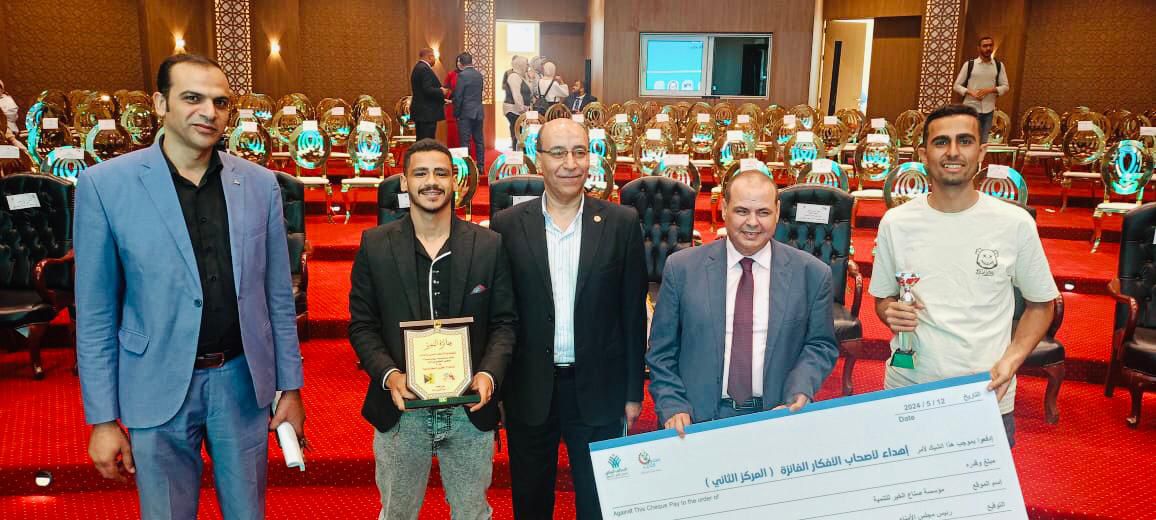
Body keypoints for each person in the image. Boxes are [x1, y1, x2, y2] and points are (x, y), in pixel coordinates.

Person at [74, 53, 305, 519]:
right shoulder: (105, 186)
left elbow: (278, 299)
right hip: (154, 383)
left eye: (220, 102)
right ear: (161, 104)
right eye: (192, 98)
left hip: (242, 383)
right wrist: (102, 418)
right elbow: (95, 313)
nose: (209, 112)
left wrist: (291, 388)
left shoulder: (259, 185)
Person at [870, 104, 1058, 447]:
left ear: (981, 152)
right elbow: (883, 299)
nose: (953, 152)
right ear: (923, 154)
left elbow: (1041, 305)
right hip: (907, 388)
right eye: (941, 142)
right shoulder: (895, 223)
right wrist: (888, 311)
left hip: (985, 391)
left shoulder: (1014, 223)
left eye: (965, 141)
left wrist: (1012, 360)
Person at [348, 138, 517, 519]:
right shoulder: (375, 245)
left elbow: (505, 322)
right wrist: (389, 375)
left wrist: (489, 373)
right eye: (420, 173)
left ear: (455, 181)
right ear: (404, 182)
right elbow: (362, 325)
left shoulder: (488, 245)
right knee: (397, 514)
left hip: (469, 408)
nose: (431, 182)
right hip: (401, 408)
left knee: (473, 514)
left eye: (441, 173)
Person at [490, 118, 647, 520]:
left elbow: (632, 314)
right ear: (538, 159)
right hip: (529, 389)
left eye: (579, 152)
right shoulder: (508, 225)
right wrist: (499, 389)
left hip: (598, 389)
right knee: (530, 504)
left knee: (597, 506)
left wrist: (633, 391)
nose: (570, 163)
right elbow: (500, 315)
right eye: (558, 153)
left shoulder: (621, 223)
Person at [647, 168, 839, 435]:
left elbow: (820, 345)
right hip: (695, 420)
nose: (752, 222)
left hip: (776, 417)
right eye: (741, 211)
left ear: (778, 211)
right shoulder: (682, 268)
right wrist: (672, 404)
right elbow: (661, 351)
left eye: (763, 212)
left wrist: (800, 389)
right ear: (724, 208)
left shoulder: (812, 274)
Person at [952, 36, 1008, 143]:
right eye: (985, 46)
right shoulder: (969, 65)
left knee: (982, 143)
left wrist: (990, 90)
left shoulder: (998, 65)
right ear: (979, 48)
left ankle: (979, 155)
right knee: (967, 140)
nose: (988, 48)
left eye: (990, 45)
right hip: (970, 109)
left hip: (988, 110)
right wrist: (971, 92)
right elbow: (956, 86)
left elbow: (1005, 86)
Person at [452, 52, 486, 170]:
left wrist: (456, 113)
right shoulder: (479, 75)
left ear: (461, 63)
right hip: (478, 111)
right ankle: (481, 166)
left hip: (465, 113)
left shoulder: (462, 75)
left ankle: (466, 168)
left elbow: (458, 96)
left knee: (465, 142)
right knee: (479, 141)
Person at [410, 48, 448, 141]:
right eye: (434, 57)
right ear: (430, 57)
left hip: (421, 112)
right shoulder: (424, 69)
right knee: (427, 141)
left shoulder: (418, 67)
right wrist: (441, 91)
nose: (434, 59)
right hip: (427, 113)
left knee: (421, 141)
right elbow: (427, 89)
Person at [502, 55, 532, 150]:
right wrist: (522, 110)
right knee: (517, 133)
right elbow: (517, 95)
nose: (528, 66)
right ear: (521, 65)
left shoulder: (522, 76)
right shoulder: (514, 77)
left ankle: (519, 152)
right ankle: (516, 154)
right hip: (513, 110)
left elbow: (529, 91)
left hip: (521, 110)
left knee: (520, 133)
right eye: (527, 64)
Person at [444, 60, 460, 148]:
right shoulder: (451, 74)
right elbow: (445, 89)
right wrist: (450, 99)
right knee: (452, 133)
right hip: (452, 108)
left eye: (461, 61)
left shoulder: (469, 75)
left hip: (465, 109)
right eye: (457, 61)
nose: (459, 63)